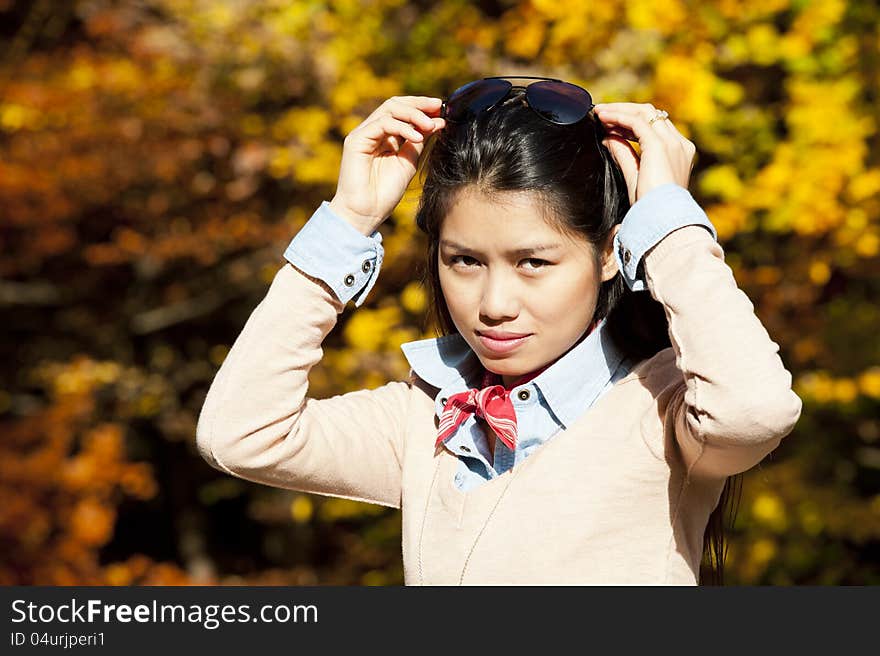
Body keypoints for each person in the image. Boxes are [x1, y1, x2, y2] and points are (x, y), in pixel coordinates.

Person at [196, 76, 803, 585]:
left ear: (612, 251)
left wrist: (667, 220)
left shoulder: (663, 408)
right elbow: (241, 434)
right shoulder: (427, 419)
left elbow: (754, 411)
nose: (494, 304)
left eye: (533, 262)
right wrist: (349, 220)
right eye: (465, 261)